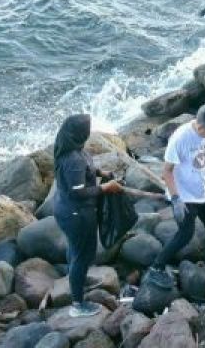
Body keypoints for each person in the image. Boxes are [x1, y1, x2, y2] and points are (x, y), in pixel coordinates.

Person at [146, 106, 205, 289]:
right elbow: (166, 171)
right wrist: (175, 199)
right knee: (185, 234)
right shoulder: (180, 139)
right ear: (202, 127)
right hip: (185, 194)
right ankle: (156, 267)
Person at [53, 114, 123, 317]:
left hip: (68, 208)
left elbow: (87, 169)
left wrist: (101, 174)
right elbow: (77, 192)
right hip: (75, 213)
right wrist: (105, 188)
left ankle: (76, 280)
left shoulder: (71, 149)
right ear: (80, 134)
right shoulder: (73, 159)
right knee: (82, 256)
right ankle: (77, 304)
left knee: (75, 250)